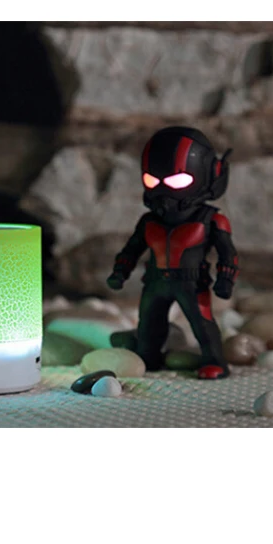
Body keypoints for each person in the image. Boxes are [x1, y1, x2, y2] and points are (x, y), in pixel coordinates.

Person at [106, 126, 239, 380]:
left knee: (202, 323)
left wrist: (226, 280)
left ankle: (214, 360)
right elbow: (131, 250)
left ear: (209, 174)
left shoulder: (211, 219)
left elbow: (228, 255)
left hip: (192, 283)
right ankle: (148, 357)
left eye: (177, 181)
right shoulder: (149, 221)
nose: (163, 190)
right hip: (155, 281)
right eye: (152, 181)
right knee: (149, 325)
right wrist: (120, 272)